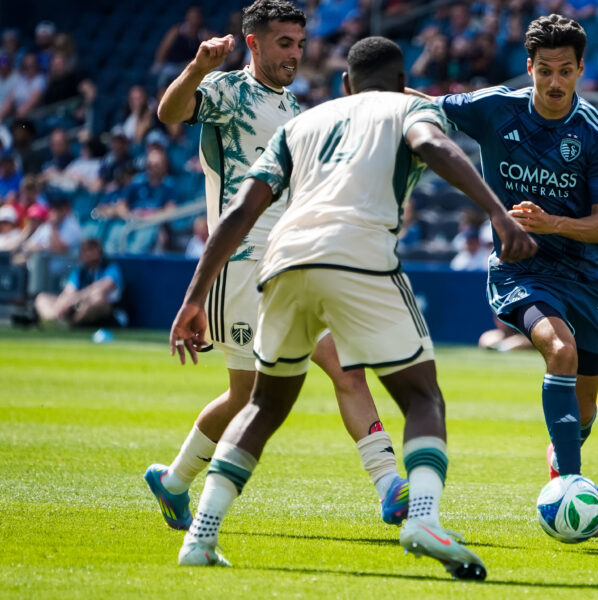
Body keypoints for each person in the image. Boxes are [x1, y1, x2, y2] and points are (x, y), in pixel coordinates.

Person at [168, 35, 535, 575]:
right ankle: (423, 518)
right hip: (358, 256)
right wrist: (498, 213)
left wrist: (194, 297)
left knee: (263, 406)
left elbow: (243, 208)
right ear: (402, 81)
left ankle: (200, 536)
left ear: (345, 84)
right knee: (421, 396)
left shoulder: (303, 122)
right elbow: (434, 146)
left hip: (282, 262)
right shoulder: (407, 108)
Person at [146, 0, 407, 537]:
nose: (294, 54)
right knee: (246, 397)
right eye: (284, 43)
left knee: (347, 367)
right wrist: (197, 68)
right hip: (240, 264)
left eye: (300, 44)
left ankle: (390, 485)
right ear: (254, 43)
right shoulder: (227, 91)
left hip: (296, 259)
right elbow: (169, 114)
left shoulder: (294, 107)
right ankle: (174, 481)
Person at [408, 13, 598, 482]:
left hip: (584, 277)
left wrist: (552, 223)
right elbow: (424, 104)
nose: (555, 82)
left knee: (582, 417)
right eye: (545, 70)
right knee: (561, 350)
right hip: (522, 270)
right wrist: (369, 94)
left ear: (581, 69)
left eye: (565, 71)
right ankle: (570, 484)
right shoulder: (495, 108)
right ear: (529, 66)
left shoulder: (595, 132)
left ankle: (567, 448)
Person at [33, 238, 123, 327]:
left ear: (99, 253)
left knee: (97, 297)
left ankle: (71, 324)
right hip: (76, 306)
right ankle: (54, 320)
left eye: (91, 250)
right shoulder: (79, 271)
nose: (88, 254)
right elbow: (68, 291)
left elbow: (102, 288)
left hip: (102, 307)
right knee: (42, 298)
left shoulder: (110, 268)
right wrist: (61, 305)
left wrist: (75, 299)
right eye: (85, 251)